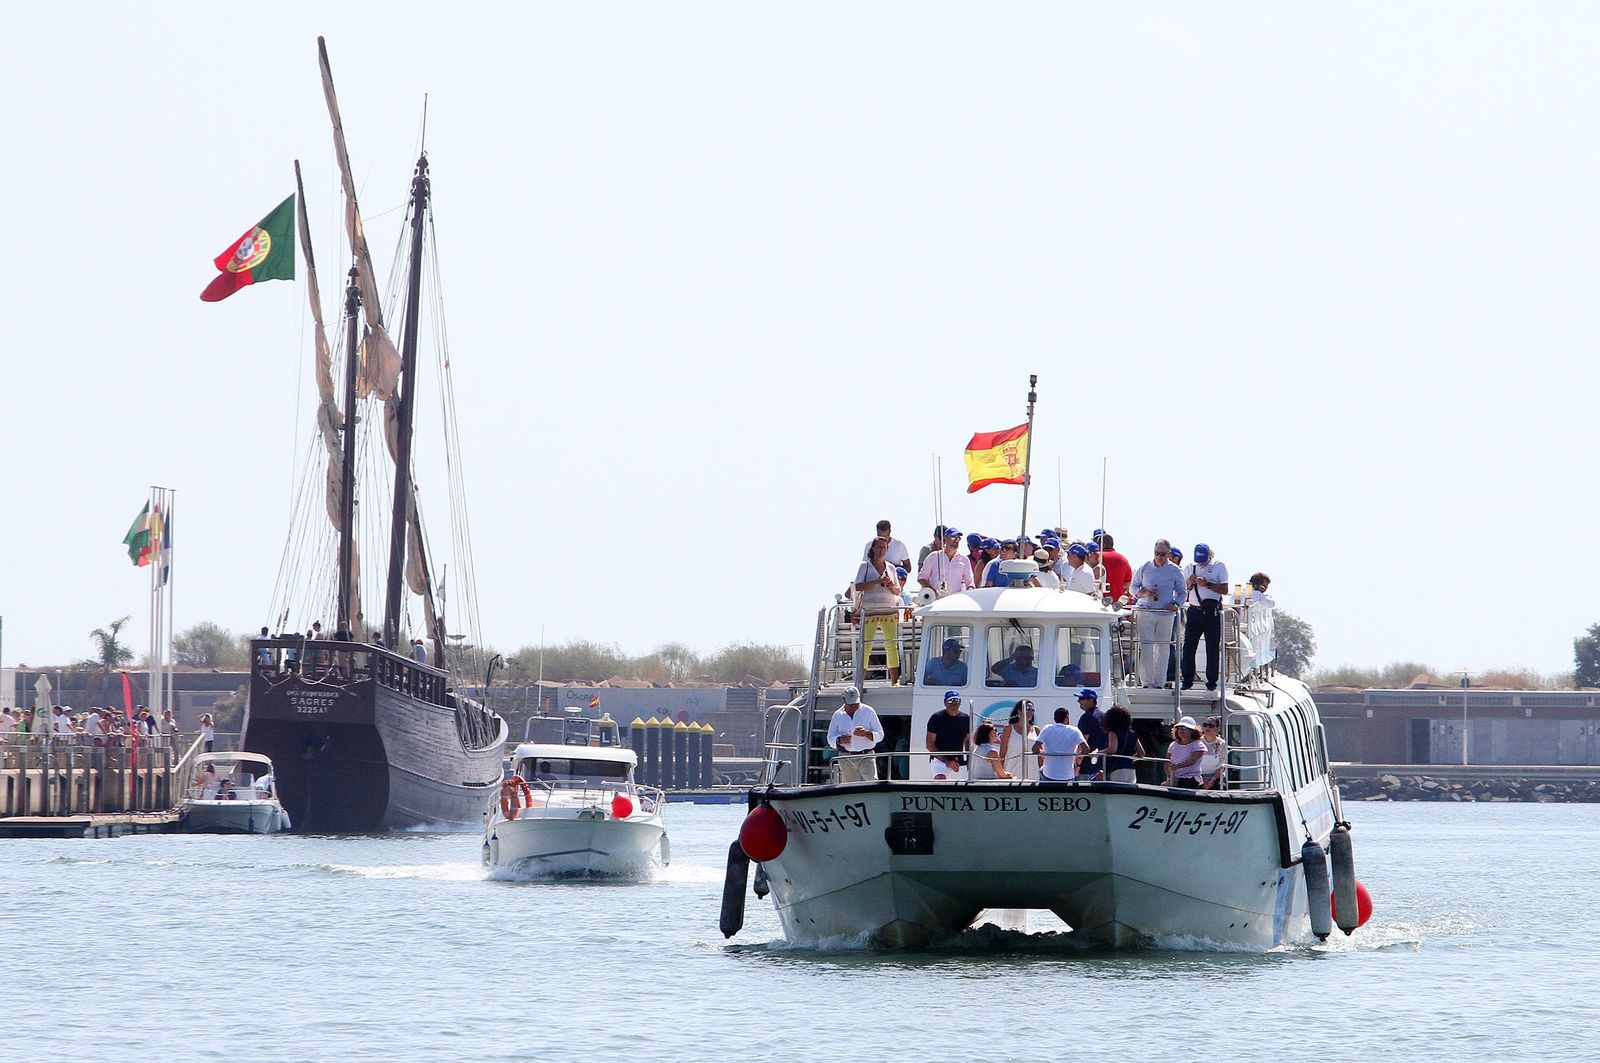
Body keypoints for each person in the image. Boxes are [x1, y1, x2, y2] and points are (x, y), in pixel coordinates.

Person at [1130, 539, 1184, 688]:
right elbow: (1133, 588)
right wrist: (1143, 593)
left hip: (1165, 613)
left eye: (1162, 554)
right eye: (1156, 553)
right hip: (1145, 611)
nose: (1159, 557)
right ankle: (1146, 682)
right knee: (1146, 647)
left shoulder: (1175, 570)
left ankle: (1160, 682)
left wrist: (1175, 604)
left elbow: (1182, 592)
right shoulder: (1144, 567)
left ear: (1168, 554)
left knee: (1163, 648)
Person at [854, 538, 904, 685]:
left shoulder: (891, 568)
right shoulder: (865, 566)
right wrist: (877, 581)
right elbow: (858, 586)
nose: (882, 550)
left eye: (884, 547)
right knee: (866, 645)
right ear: (873, 548)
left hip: (889, 611)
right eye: (879, 547)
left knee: (891, 645)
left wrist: (889, 584)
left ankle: (894, 681)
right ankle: (860, 681)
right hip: (870, 611)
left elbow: (897, 590)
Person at [1181, 542, 1230, 691]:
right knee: (1189, 647)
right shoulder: (1190, 567)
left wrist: (1207, 583)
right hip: (1194, 610)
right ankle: (1187, 680)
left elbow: (1225, 589)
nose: (1201, 563)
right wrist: (1190, 583)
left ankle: (1212, 682)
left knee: (1212, 648)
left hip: (1211, 611)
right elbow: (1185, 589)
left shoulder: (1219, 566)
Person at [826, 686, 883, 783]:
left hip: (866, 755)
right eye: (850, 704)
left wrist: (866, 733)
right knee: (848, 786)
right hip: (845, 757)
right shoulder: (837, 715)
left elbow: (880, 734)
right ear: (844, 700)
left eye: (855, 703)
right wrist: (839, 740)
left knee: (872, 783)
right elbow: (830, 737)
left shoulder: (869, 711)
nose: (853, 706)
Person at [1032, 706, 1088, 782]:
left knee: (1042, 770)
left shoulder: (1047, 728)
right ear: (1067, 717)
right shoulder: (1075, 730)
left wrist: (1044, 752)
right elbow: (1086, 749)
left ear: (1054, 719)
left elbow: (1034, 748)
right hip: (1067, 775)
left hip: (1049, 774)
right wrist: (1077, 756)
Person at [925, 691, 972, 780]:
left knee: (958, 786)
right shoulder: (936, 718)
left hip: (958, 760)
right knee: (940, 779)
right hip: (939, 759)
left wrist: (969, 760)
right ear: (945, 702)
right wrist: (947, 761)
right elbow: (929, 744)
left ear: (960, 702)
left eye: (956, 700)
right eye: (950, 701)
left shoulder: (965, 718)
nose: (954, 703)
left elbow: (968, 741)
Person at [917, 528, 975, 599]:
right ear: (945, 538)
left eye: (958, 538)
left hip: (957, 601)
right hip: (937, 601)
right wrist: (932, 591)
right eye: (953, 537)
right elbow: (921, 577)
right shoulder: (933, 556)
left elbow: (970, 582)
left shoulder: (964, 560)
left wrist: (970, 592)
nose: (956, 540)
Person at [1102, 705, 1145, 784]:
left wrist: (1098, 752)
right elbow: (1141, 753)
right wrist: (1129, 758)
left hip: (1117, 769)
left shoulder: (1113, 732)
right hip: (1131, 770)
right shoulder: (1132, 733)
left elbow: (1112, 749)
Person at [999, 700, 1039, 780]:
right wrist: (1001, 773)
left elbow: (1039, 755)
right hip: (1012, 773)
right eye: (1028, 709)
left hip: (1033, 774)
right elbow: (1002, 752)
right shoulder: (1009, 728)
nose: (1030, 712)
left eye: (1032, 710)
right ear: (1019, 711)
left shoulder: (1036, 730)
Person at [1093, 531, 1134, 603]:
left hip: (1098, 600)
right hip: (1117, 602)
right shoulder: (1123, 559)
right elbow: (1128, 583)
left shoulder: (1096, 557)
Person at [1074, 689, 1107, 780]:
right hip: (1102, 765)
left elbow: (1083, 744)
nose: (1078, 701)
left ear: (1091, 700)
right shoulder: (1105, 716)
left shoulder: (1086, 717)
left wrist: (1078, 765)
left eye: (1081, 699)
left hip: (1086, 767)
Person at [1167, 716, 1206, 788]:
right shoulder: (1173, 745)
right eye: (1179, 728)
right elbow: (1167, 762)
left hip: (1192, 779)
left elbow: (1192, 761)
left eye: (1185, 728)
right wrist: (1170, 776)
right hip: (1175, 778)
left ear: (1192, 731)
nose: (1181, 730)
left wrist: (1177, 766)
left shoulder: (1198, 745)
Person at [1199, 716, 1229, 789]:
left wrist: (1212, 780)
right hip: (1199, 777)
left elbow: (1223, 766)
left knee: (1222, 786)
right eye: (1205, 725)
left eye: (1211, 725)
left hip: (1216, 777)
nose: (1207, 727)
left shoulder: (1222, 743)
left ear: (1218, 729)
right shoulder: (1197, 742)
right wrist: (1202, 780)